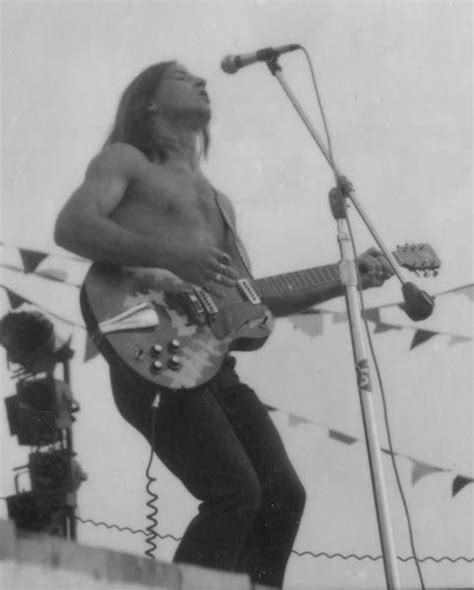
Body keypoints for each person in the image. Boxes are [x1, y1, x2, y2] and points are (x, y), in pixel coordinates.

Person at [54, 61, 393, 588]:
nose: (202, 82)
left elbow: (250, 301)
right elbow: (72, 226)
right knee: (235, 492)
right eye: (184, 76)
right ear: (148, 102)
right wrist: (174, 258)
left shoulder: (220, 203)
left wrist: (350, 275)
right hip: (145, 343)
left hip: (210, 364)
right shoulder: (127, 160)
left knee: (283, 492)